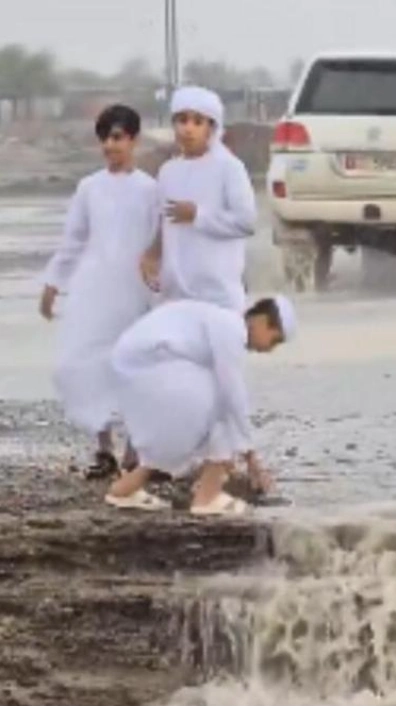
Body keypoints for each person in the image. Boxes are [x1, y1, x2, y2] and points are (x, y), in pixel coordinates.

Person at [39, 104, 159, 477]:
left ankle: (135, 450)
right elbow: (74, 240)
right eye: (105, 138)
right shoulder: (89, 188)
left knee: (136, 368)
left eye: (118, 138)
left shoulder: (150, 190)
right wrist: (53, 283)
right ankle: (104, 448)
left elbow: (163, 243)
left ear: (133, 141)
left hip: (136, 293)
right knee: (83, 364)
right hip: (96, 291)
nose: (111, 145)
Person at [103, 296, 295, 515]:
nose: (269, 350)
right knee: (223, 406)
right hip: (147, 367)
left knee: (200, 419)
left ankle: (123, 491)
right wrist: (251, 459)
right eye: (274, 340)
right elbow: (232, 393)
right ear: (262, 321)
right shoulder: (231, 329)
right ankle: (207, 497)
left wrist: (234, 455)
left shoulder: (222, 323)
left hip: (140, 368)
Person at [140, 85, 256, 313]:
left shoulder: (229, 168)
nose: (188, 129)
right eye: (182, 120)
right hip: (174, 296)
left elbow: (246, 222)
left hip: (218, 297)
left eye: (197, 122)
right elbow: (164, 222)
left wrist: (198, 216)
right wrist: (152, 255)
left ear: (211, 127)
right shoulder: (168, 171)